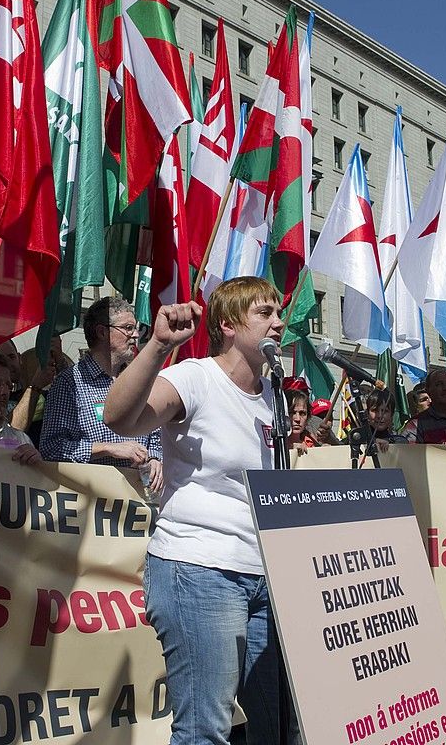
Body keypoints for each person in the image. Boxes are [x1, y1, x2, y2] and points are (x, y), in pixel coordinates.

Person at [103, 276, 297, 745]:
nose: (278, 322)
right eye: (264, 313)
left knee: (278, 726)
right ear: (228, 325)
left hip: (262, 575)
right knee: (205, 729)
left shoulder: (277, 395)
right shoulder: (195, 377)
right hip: (200, 571)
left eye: (278, 312)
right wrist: (156, 347)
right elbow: (119, 417)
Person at [40, 297, 163, 493]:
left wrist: (156, 457)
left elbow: (156, 433)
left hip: (138, 501)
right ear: (102, 332)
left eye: (135, 328)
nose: (136, 335)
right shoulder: (70, 383)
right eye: (128, 328)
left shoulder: (140, 381)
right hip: (93, 507)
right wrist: (109, 449)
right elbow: (52, 448)